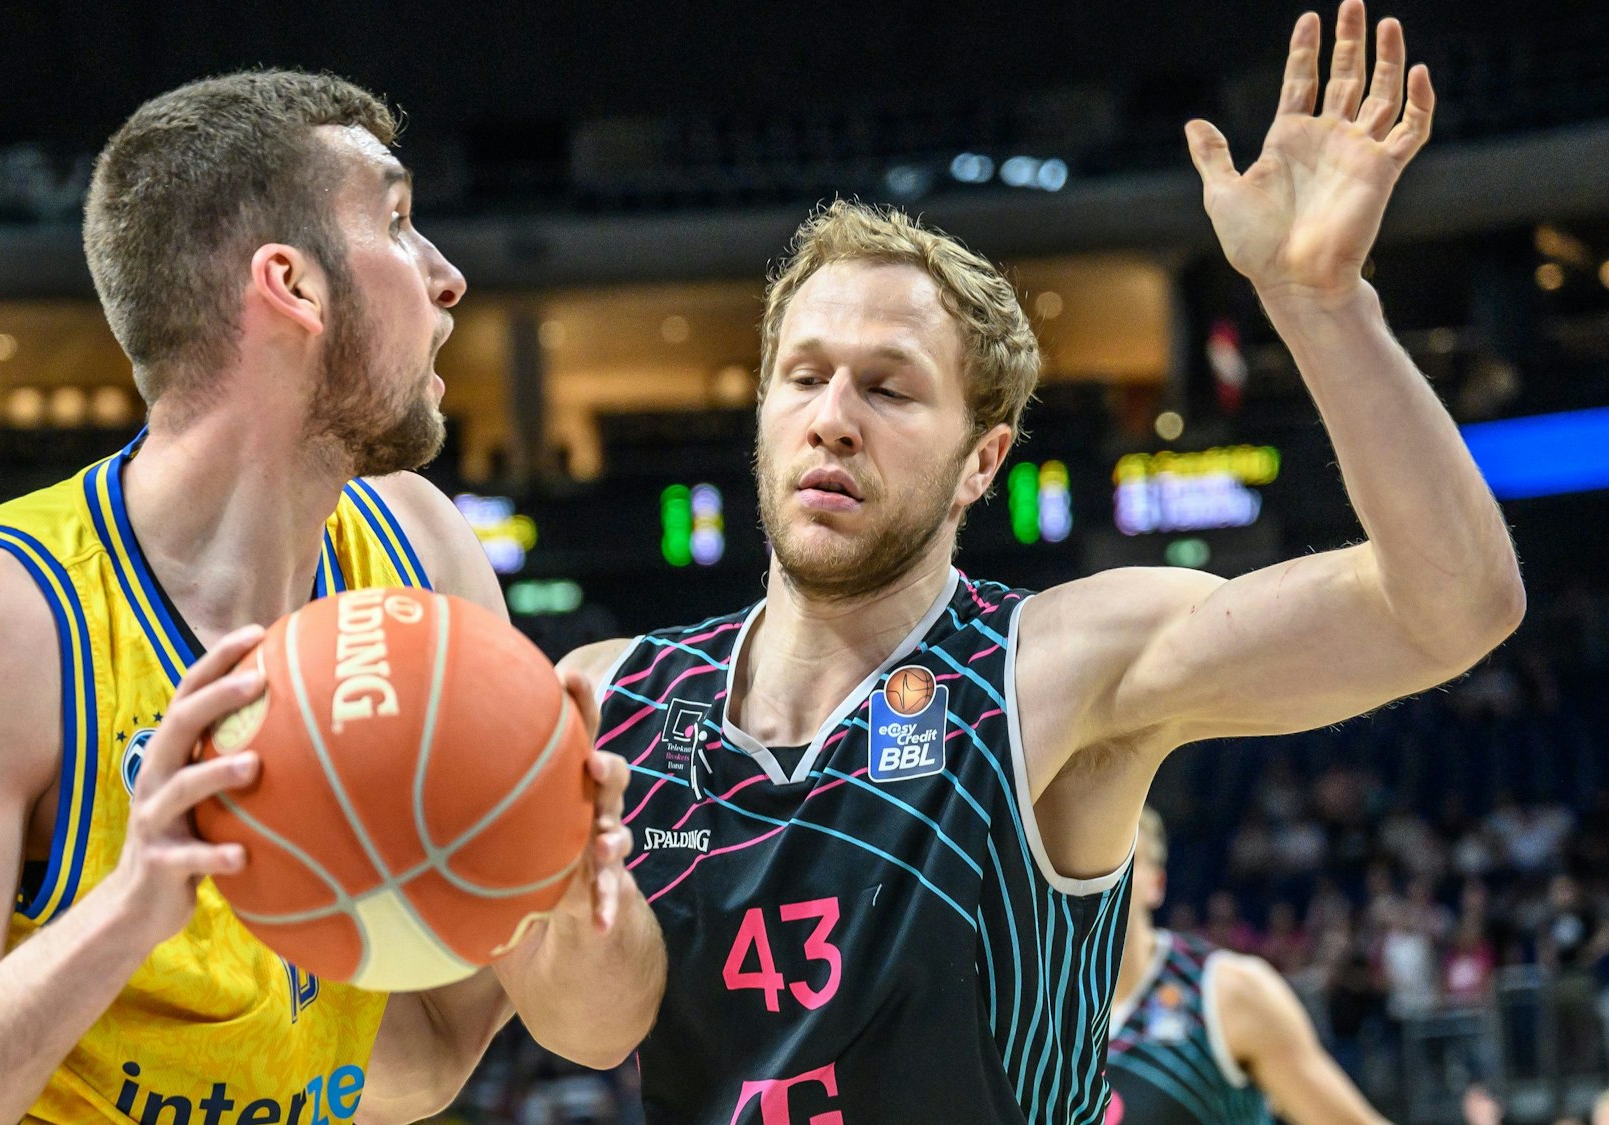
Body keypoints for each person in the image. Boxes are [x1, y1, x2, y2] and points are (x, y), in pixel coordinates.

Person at [560, 3, 1522, 1120]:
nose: (830, 417)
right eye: (802, 375)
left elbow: (1449, 610)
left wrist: (1319, 307)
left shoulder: (1052, 667)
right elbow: (503, 1038)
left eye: (887, 386)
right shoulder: (607, 694)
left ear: (982, 461)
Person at [0, 70, 663, 1125]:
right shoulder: (4, 616)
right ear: (292, 287)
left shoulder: (424, 556)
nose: (447, 278)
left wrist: (569, 888)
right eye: (397, 223)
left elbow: (511, 1039)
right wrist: (125, 914)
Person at [1109, 810, 1387, 1125]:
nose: (1100, 874)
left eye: (1119, 858)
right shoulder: (1047, 1016)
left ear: (1157, 883)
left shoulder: (1226, 990)